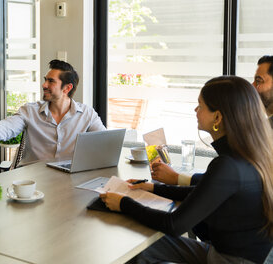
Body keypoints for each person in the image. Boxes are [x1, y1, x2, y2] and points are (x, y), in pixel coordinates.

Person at [100, 76, 273, 263]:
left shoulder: (228, 165)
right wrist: (153, 188)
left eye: (200, 105)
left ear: (218, 117)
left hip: (227, 260)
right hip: (241, 255)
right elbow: (206, 192)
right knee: (145, 249)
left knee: (137, 250)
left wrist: (124, 203)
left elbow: (174, 224)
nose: (195, 110)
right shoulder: (253, 154)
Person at [152, 55, 273, 185]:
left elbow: (226, 180)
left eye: (259, 81)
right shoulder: (264, 126)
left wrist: (177, 178)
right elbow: (223, 182)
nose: (252, 87)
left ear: (217, 117)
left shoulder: (261, 133)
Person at [0, 59, 105, 164]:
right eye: (45, 80)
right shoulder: (30, 111)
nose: (44, 85)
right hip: (32, 180)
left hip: (67, 179)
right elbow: (7, 127)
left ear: (67, 88)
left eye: (51, 81)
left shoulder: (87, 114)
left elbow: (105, 140)